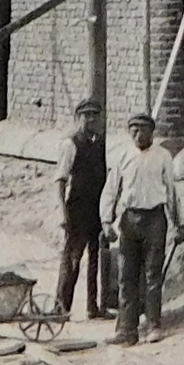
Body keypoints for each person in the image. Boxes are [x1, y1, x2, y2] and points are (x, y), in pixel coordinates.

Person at [101, 111, 184, 345]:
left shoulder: (162, 156)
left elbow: (171, 192)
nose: (139, 135)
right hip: (129, 220)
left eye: (143, 130)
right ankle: (126, 329)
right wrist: (106, 221)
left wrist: (178, 224)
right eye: (134, 130)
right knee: (126, 276)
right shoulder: (123, 156)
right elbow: (111, 190)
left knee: (152, 274)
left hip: (155, 219)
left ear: (152, 132)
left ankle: (153, 325)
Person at [53, 98, 116, 320]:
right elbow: (60, 180)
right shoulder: (70, 144)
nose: (91, 120)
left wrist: (108, 211)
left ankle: (94, 307)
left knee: (96, 259)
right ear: (78, 118)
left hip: (97, 209)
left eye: (95, 115)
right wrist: (62, 212)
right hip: (77, 209)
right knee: (72, 258)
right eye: (86, 115)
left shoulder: (100, 143)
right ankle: (61, 308)